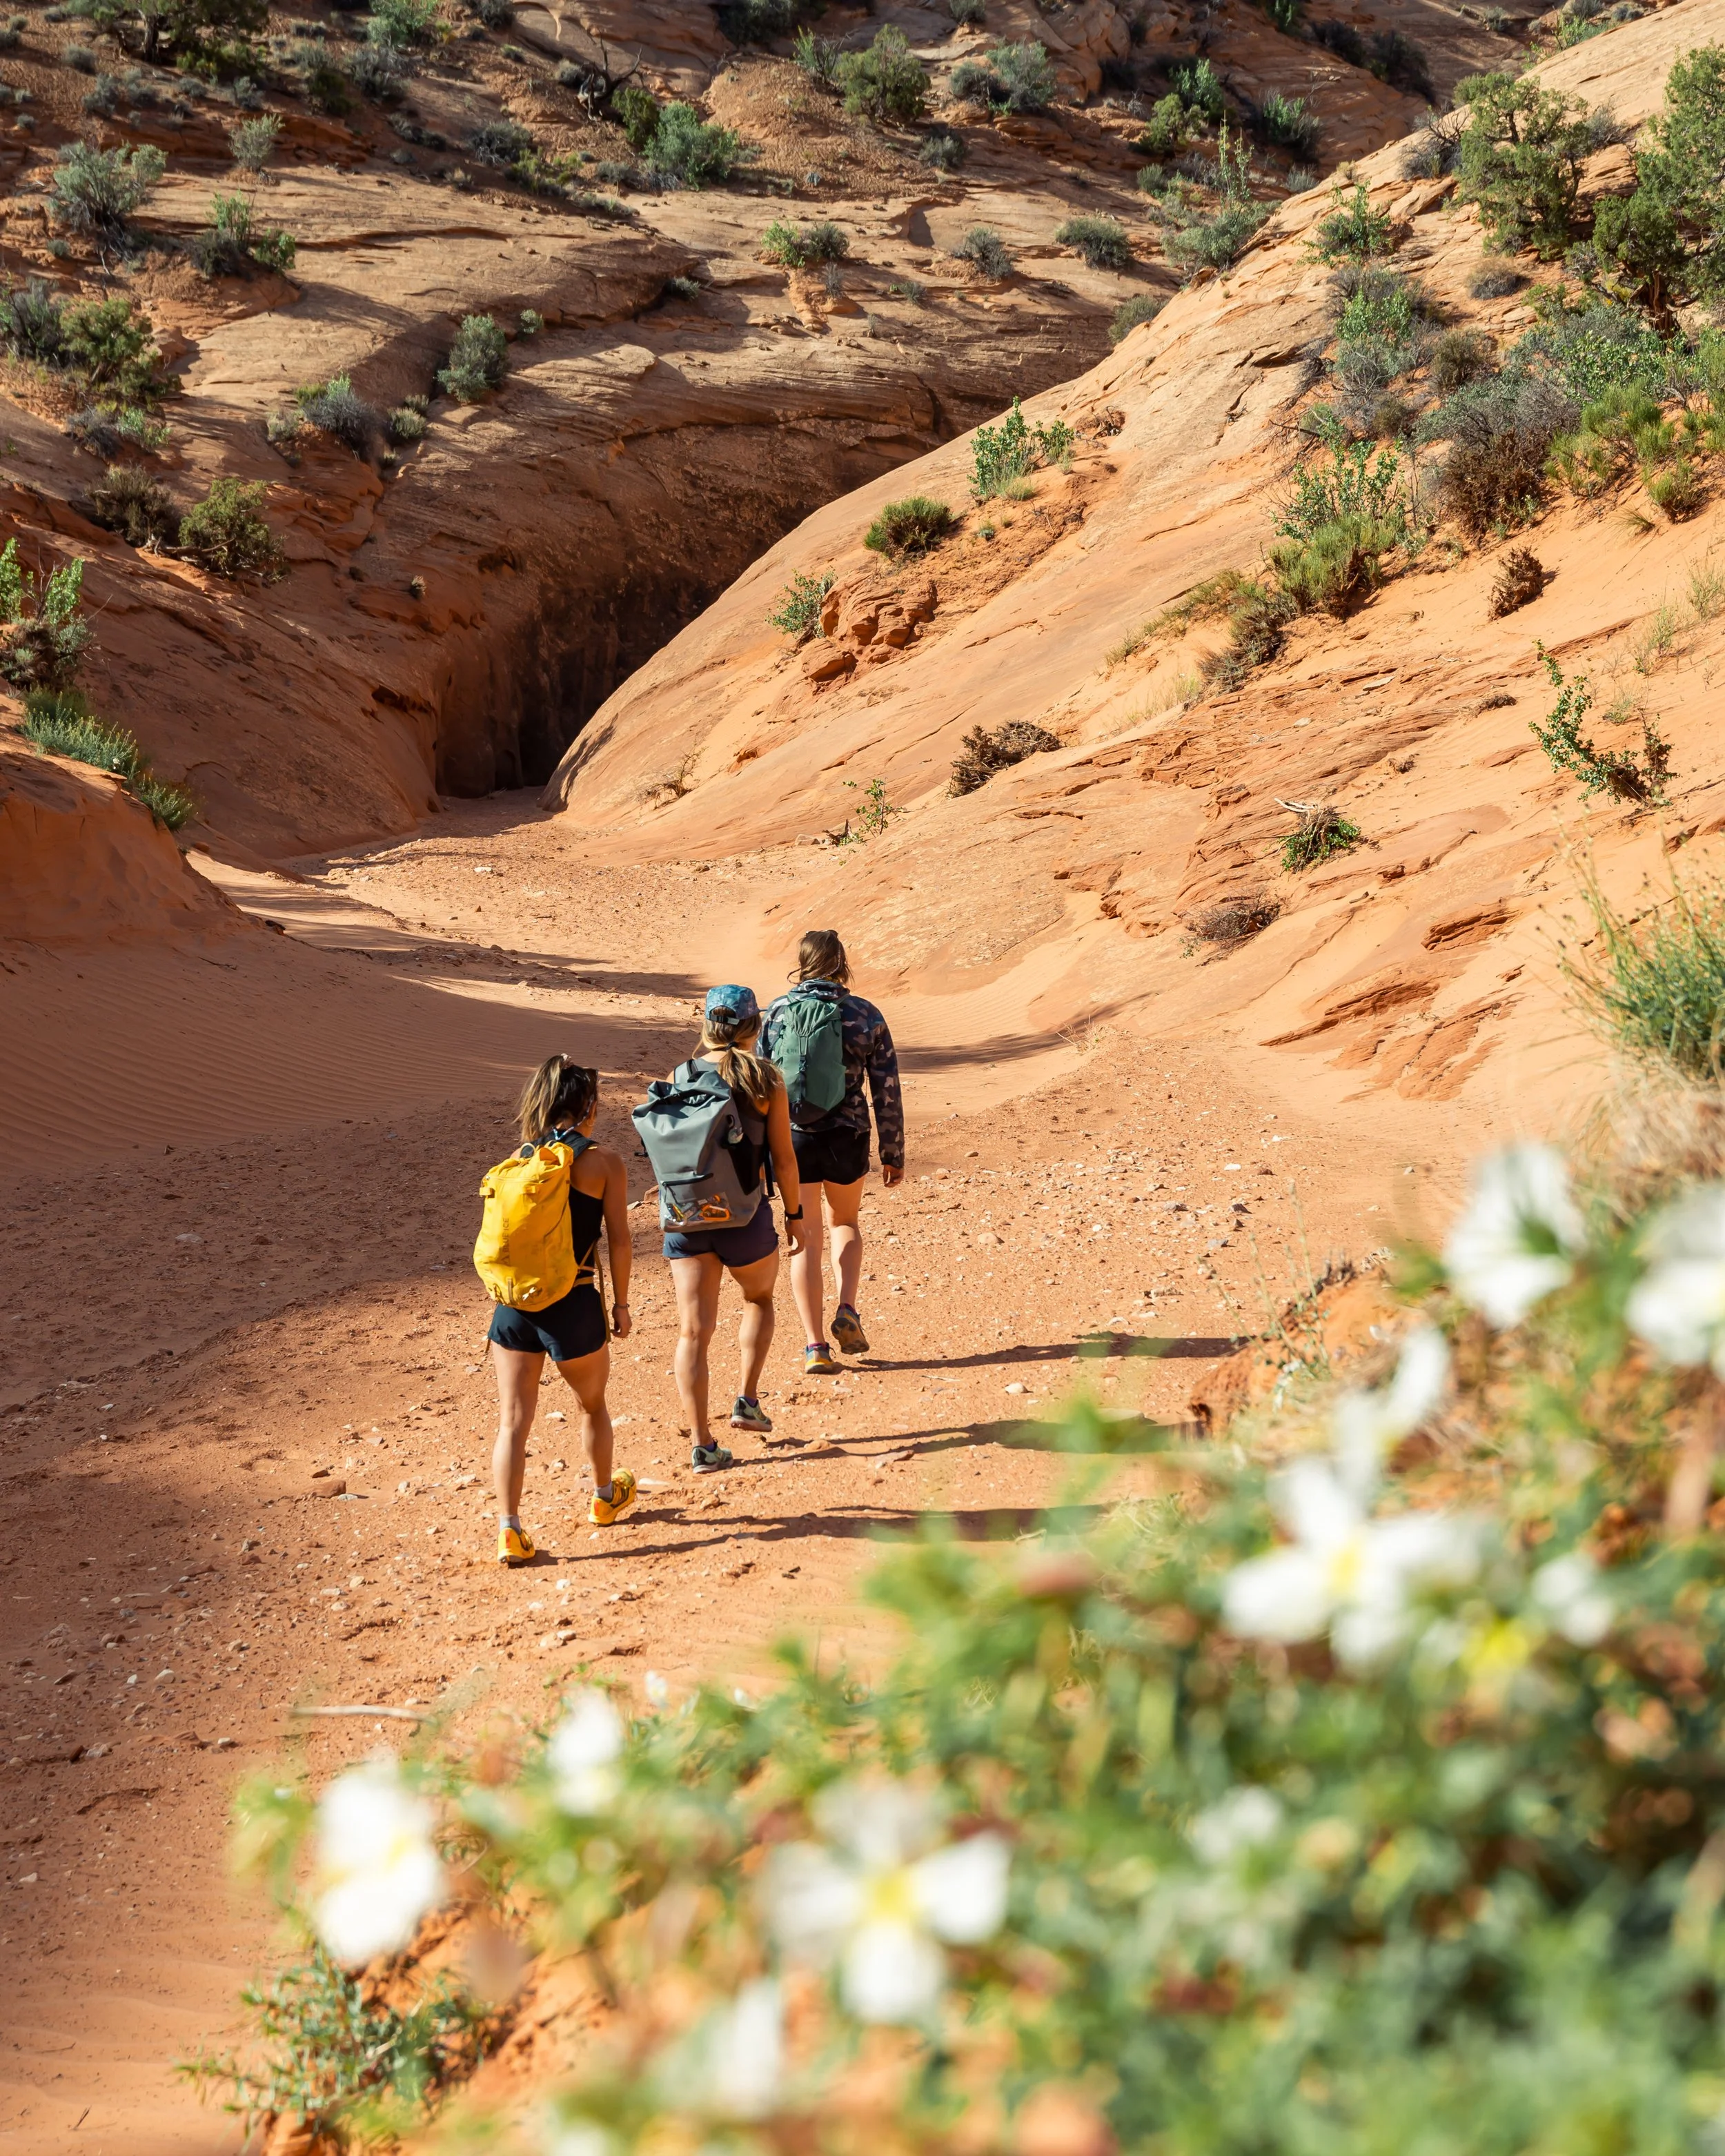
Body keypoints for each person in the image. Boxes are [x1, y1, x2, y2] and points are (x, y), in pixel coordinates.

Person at [484, 1055, 634, 1565]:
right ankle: (604, 1497)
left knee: (512, 1422)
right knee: (592, 1406)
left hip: (515, 1307)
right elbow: (620, 1241)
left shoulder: (519, 1159)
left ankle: (509, 1529)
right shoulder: (604, 1163)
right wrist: (622, 1304)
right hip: (574, 1303)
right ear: (588, 1107)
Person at [658, 987, 805, 1473]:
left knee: (692, 1332)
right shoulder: (765, 1079)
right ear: (752, 1027)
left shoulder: (679, 1075)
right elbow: (784, 1158)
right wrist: (795, 1215)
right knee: (758, 1299)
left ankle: (702, 1444)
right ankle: (747, 1399)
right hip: (744, 1214)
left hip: (688, 1217)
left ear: (707, 1025)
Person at [761, 930, 903, 1376]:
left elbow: (759, 1089)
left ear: (802, 963)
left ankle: (815, 1346)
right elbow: (886, 1087)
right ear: (841, 963)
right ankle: (847, 1307)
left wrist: (759, 1156)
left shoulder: (777, 1012)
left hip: (792, 1140)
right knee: (845, 1221)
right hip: (848, 1134)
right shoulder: (864, 1014)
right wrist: (893, 1151)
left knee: (804, 1237)